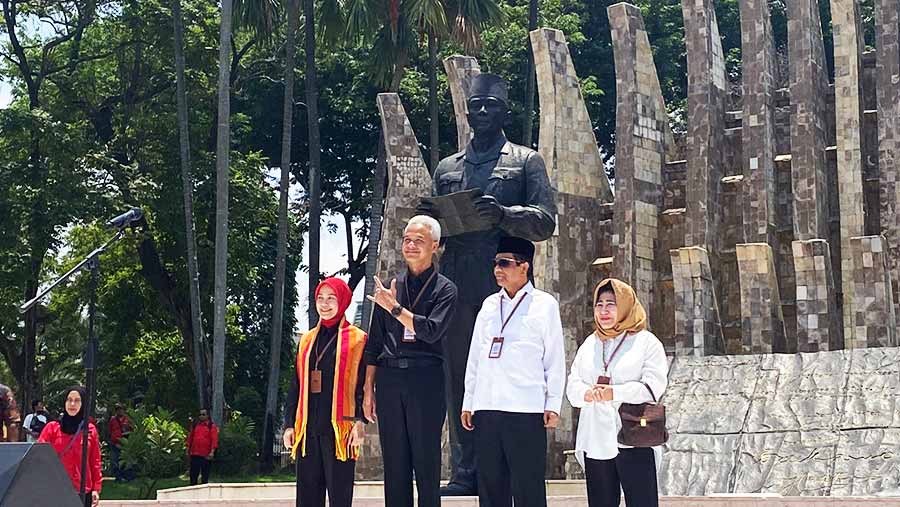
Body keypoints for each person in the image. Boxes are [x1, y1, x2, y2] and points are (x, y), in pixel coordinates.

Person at [421, 73, 557, 496]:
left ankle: (507, 469)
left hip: (505, 283)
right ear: (466, 112)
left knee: (510, 373)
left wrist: (503, 214)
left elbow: (545, 220)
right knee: (461, 375)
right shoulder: (447, 168)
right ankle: (466, 472)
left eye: (490, 105)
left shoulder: (525, 160)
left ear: (504, 110)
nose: (482, 112)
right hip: (457, 282)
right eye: (475, 105)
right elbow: (432, 224)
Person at [461, 237, 565, 507]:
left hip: (525, 409)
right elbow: (475, 357)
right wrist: (468, 401)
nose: (498, 269)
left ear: (524, 267)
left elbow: (554, 358)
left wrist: (553, 403)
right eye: (496, 263)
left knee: (527, 487)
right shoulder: (488, 305)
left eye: (505, 263)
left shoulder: (544, 304)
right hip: (487, 407)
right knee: (491, 487)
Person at [363, 215, 458, 507]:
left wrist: (394, 308)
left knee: (426, 466)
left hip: (425, 380)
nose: (411, 246)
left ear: (435, 245)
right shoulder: (390, 286)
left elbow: (431, 331)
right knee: (394, 466)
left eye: (419, 240)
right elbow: (374, 344)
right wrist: (368, 390)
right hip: (390, 380)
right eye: (407, 240)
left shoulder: (445, 289)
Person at [566, 279, 668, 507]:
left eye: (610, 304)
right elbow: (572, 386)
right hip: (595, 440)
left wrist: (615, 393)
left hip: (634, 438)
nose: (603, 311)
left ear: (624, 306)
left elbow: (653, 387)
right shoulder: (589, 345)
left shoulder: (646, 342)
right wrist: (587, 393)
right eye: (599, 304)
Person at [283, 277, 368, 507]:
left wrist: (360, 422)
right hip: (307, 429)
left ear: (343, 301)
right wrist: (289, 425)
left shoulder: (358, 339)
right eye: (320, 298)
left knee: (340, 497)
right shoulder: (307, 340)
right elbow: (296, 384)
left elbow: (364, 386)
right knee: (307, 498)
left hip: (340, 431)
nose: (325, 304)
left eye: (331, 298)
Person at [38, 386, 102, 507]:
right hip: (55, 490)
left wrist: (96, 488)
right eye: (69, 399)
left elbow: (95, 461)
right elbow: (39, 457)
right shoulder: (52, 428)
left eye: (77, 400)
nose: (72, 404)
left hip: (82, 491)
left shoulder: (89, 430)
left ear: (83, 404)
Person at [186, 408, 219, 485]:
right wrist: (187, 449)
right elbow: (190, 438)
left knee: (205, 476)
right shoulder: (195, 426)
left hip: (206, 455)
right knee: (193, 475)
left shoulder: (211, 426)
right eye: (200, 414)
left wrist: (212, 452)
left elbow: (214, 440)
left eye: (203, 414)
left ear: (207, 416)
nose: (201, 416)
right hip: (195, 454)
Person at [108, 403, 133, 481]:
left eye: (121, 409)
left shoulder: (127, 419)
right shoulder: (112, 419)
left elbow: (132, 430)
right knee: (115, 460)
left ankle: (126, 476)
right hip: (114, 443)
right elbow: (109, 430)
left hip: (124, 443)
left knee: (124, 460)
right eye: (118, 409)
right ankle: (118, 477)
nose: (119, 411)